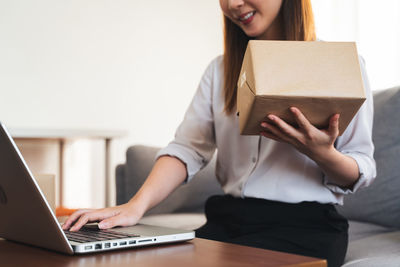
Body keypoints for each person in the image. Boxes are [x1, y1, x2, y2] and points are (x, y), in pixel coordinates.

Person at [63, 1, 376, 266]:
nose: (232, 4)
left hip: (305, 227)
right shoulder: (220, 70)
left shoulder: (340, 67)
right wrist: (133, 207)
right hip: (229, 221)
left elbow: (361, 167)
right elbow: (187, 148)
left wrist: (322, 153)